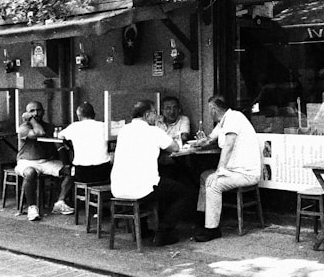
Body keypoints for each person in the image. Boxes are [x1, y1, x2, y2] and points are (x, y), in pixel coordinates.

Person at [110, 99, 192, 246]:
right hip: (143, 188)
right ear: (147, 115)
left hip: (118, 187)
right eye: (154, 112)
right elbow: (174, 148)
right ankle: (164, 232)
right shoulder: (153, 131)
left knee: (161, 185)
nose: (156, 116)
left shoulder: (123, 130)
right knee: (185, 192)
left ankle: (143, 229)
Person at [194, 94, 261, 242]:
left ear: (213, 109)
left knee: (213, 184)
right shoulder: (224, 121)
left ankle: (212, 229)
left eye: (209, 109)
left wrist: (219, 171)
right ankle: (202, 217)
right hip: (235, 171)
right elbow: (211, 138)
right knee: (205, 176)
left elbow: (229, 144)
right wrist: (200, 142)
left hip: (246, 173)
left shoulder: (234, 118)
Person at [16, 101, 73, 220]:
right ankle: (32, 207)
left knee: (71, 171)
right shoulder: (23, 128)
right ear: (26, 114)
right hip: (27, 161)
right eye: (32, 111)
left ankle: (60, 202)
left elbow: (58, 145)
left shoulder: (50, 126)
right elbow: (39, 133)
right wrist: (31, 120)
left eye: (39, 110)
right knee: (30, 173)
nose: (36, 113)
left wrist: (66, 164)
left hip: (46, 162)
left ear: (43, 111)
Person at [58, 102, 111, 186]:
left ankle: (63, 198)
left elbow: (59, 136)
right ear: (94, 114)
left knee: (70, 174)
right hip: (102, 172)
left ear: (79, 116)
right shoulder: (104, 126)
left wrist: (70, 146)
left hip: (82, 173)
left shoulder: (74, 127)